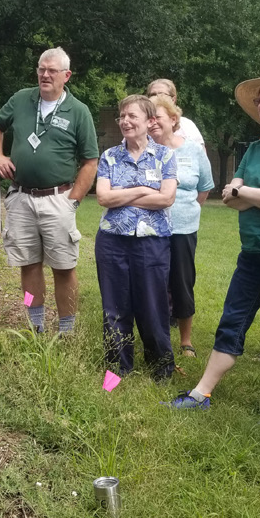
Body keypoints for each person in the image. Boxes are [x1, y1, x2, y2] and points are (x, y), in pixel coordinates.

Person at [166, 75, 260, 423]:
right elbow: (230, 197)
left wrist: (249, 193)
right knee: (232, 320)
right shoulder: (254, 149)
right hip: (253, 250)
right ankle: (200, 393)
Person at [0, 48, 98, 335]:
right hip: (21, 197)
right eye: (41, 69)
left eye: (51, 71)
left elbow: (90, 161)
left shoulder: (78, 111)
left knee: (64, 267)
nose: (45, 75)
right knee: (28, 264)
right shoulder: (22, 99)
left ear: (66, 75)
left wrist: (72, 201)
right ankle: (35, 324)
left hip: (57, 198)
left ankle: (66, 329)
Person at [96, 95, 177, 379]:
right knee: (114, 308)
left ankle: (160, 368)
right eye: (122, 116)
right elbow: (104, 197)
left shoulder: (165, 156)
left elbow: (167, 198)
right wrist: (143, 189)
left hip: (152, 241)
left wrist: (124, 196)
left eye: (132, 116)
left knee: (152, 305)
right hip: (112, 240)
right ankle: (117, 370)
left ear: (150, 121)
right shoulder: (109, 156)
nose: (125, 121)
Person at [148, 95, 214, 356]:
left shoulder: (193, 150)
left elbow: (204, 188)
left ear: (173, 120)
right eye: (148, 117)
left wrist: (184, 210)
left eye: (158, 117)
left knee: (182, 283)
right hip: (149, 229)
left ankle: (185, 341)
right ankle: (155, 335)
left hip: (183, 229)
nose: (152, 123)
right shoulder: (142, 150)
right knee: (152, 283)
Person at [145, 79, 206, 149]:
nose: (157, 97)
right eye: (153, 95)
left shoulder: (187, 126)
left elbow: (200, 155)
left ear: (173, 99)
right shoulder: (141, 126)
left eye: (162, 94)